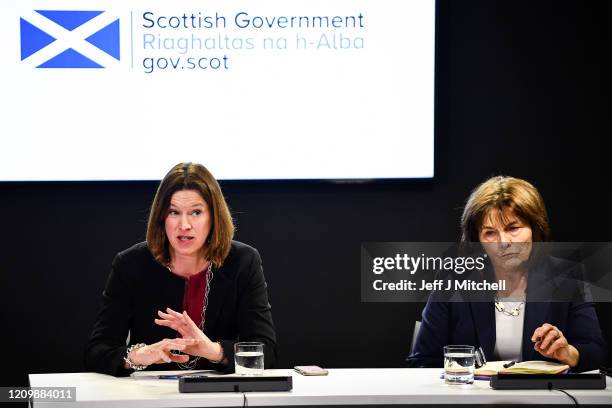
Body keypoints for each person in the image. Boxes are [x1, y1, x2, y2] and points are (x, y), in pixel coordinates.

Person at [85, 162, 277, 376]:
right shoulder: (131, 264)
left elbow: (266, 351)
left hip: (222, 396)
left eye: (196, 212)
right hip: (150, 397)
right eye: (174, 212)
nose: (184, 225)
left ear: (214, 217)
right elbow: (96, 352)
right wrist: (139, 356)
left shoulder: (243, 261)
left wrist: (213, 350)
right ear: (161, 218)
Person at [406, 176, 607, 372]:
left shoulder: (567, 276)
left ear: (535, 229)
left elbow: (596, 352)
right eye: (490, 233)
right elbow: (423, 360)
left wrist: (568, 353)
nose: (504, 242)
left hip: (542, 400)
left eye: (513, 228)